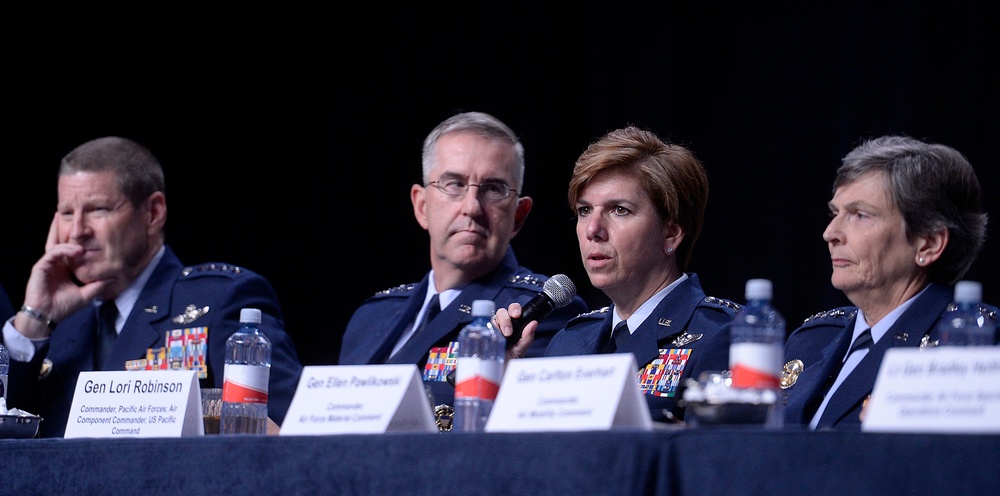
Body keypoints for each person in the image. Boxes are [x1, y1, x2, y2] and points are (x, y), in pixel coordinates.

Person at [2, 136, 303, 437]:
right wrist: (34, 317)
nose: (78, 231)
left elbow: (291, 433)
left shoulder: (220, 300)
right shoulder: (57, 327)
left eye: (98, 209)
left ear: (153, 213)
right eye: (67, 213)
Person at [339, 111, 588, 429]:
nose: (471, 206)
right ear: (422, 206)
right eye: (454, 184)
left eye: (494, 189)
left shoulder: (538, 314)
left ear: (519, 216)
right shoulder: (370, 317)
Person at [496, 125, 739, 423]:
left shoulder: (721, 334)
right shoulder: (568, 342)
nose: (592, 230)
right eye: (585, 210)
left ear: (671, 234)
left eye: (619, 210)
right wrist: (507, 390)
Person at [780, 135, 997, 431]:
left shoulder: (975, 344)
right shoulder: (811, 339)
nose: (831, 233)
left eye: (860, 215)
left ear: (928, 244)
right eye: (835, 213)